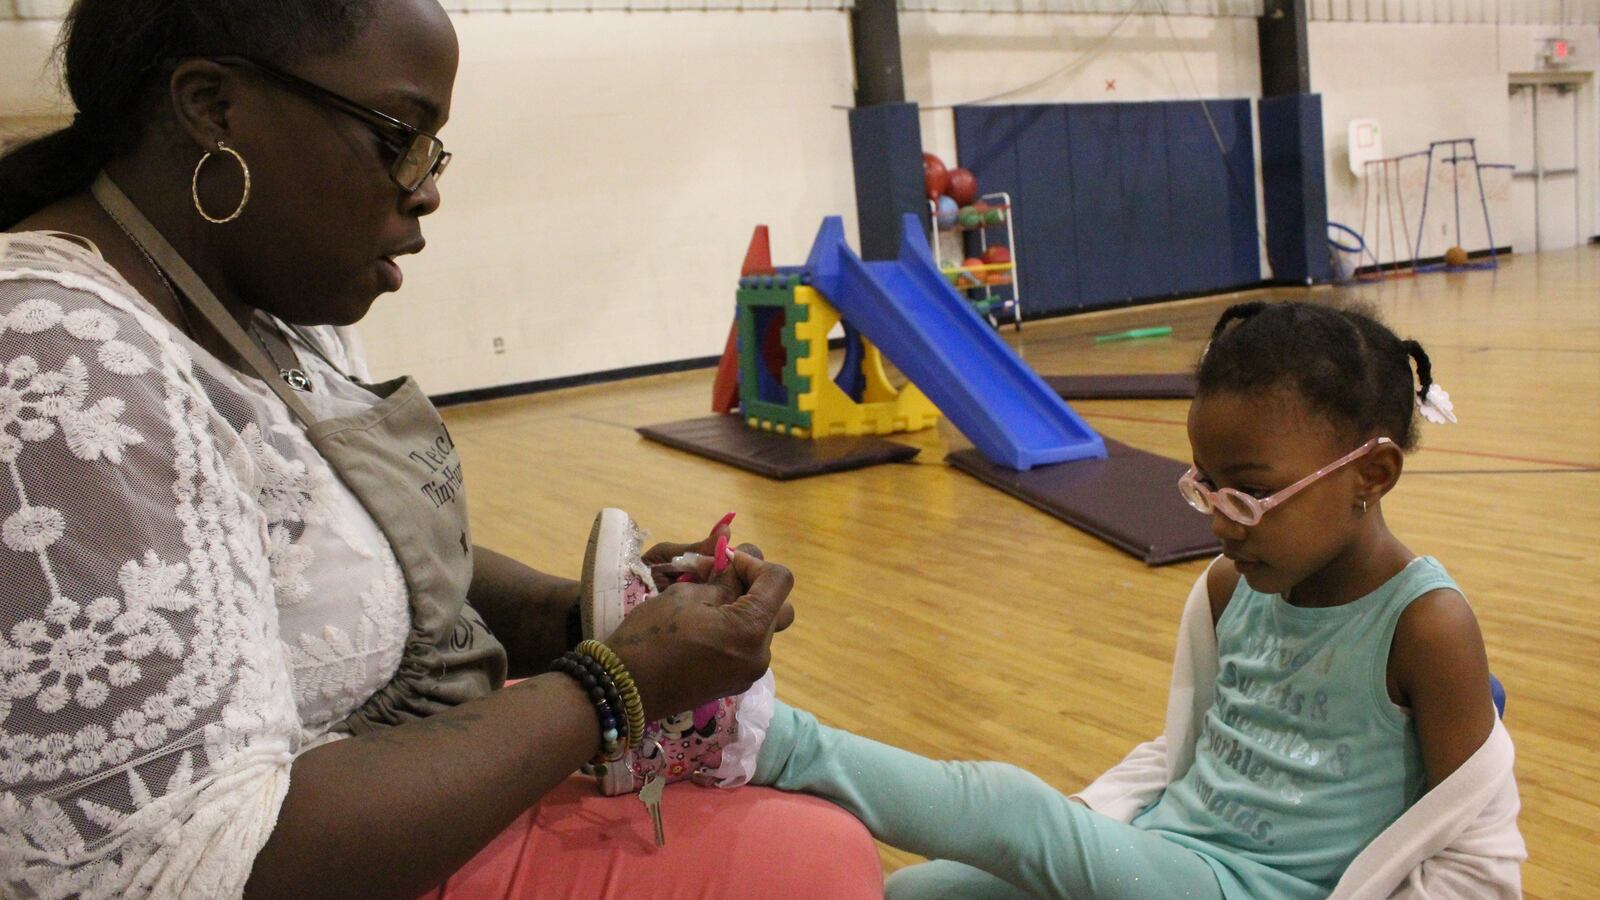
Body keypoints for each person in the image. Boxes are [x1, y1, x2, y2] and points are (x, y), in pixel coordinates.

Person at [0, 2, 886, 898]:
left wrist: (589, 614)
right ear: (213, 107)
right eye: (400, 137)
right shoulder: (60, 360)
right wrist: (614, 683)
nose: (424, 188)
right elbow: (196, 860)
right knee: (820, 858)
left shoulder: (265, 312)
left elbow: (353, 566)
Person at [747, 301, 1526, 898]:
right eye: (1206, 488)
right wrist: (1106, 826)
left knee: (1017, 814)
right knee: (922, 889)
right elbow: (1188, 753)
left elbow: (1480, 853)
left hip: (1240, 890)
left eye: (1251, 495)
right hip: (1163, 856)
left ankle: (753, 736)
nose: (1223, 521)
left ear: (1373, 473)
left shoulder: (1426, 624)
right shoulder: (1230, 588)